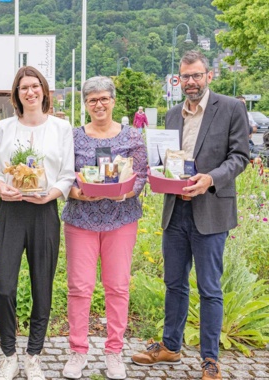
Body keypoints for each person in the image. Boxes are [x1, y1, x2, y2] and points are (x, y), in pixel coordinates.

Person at [132, 50, 249, 380]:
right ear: (178, 79)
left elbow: (240, 156)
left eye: (197, 75)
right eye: (185, 76)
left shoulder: (230, 108)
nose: (191, 82)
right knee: (174, 283)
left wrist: (210, 179)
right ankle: (170, 346)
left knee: (210, 287)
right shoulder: (172, 115)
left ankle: (210, 359)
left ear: (209, 76)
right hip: (175, 210)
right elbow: (167, 159)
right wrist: (157, 173)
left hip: (211, 210)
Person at [60, 76, 147, 380]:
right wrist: (74, 191)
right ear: (85, 104)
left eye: (103, 98)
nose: (98, 104)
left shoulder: (132, 136)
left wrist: (127, 191)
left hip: (121, 219)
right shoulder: (72, 137)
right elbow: (62, 173)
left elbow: (142, 175)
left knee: (118, 287)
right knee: (80, 287)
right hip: (81, 219)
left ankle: (114, 352)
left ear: (113, 100)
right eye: (92, 99)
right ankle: (78, 351)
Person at [0, 66, 75, 380]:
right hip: (11, 211)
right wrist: (1, 187)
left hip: (44, 211)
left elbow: (67, 173)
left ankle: (33, 355)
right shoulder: (3, 128)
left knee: (42, 287)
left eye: (35, 86)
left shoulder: (60, 128)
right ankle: (9, 354)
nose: (30, 92)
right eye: (24, 87)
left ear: (44, 91)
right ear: (17, 94)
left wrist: (51, 194)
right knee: (5, 287)